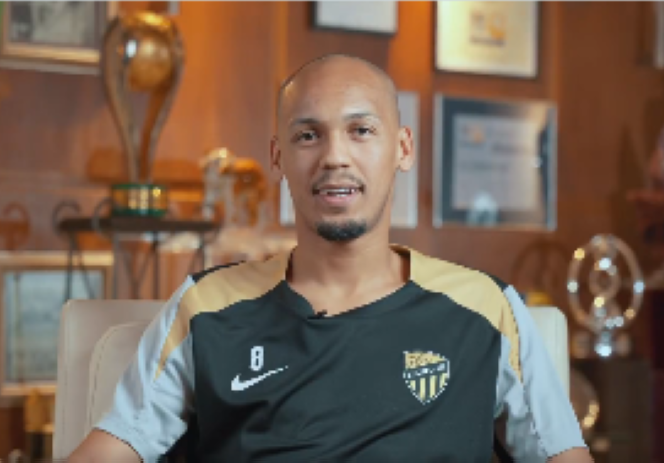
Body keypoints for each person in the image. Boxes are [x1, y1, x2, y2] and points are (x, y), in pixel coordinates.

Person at [69, 54, 591, 463]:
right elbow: (112, 449)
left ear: (403, 148)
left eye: (361, 130)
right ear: (278, 157)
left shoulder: (486, 309)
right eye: (308, 135)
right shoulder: (206, 307)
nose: (335, 157)